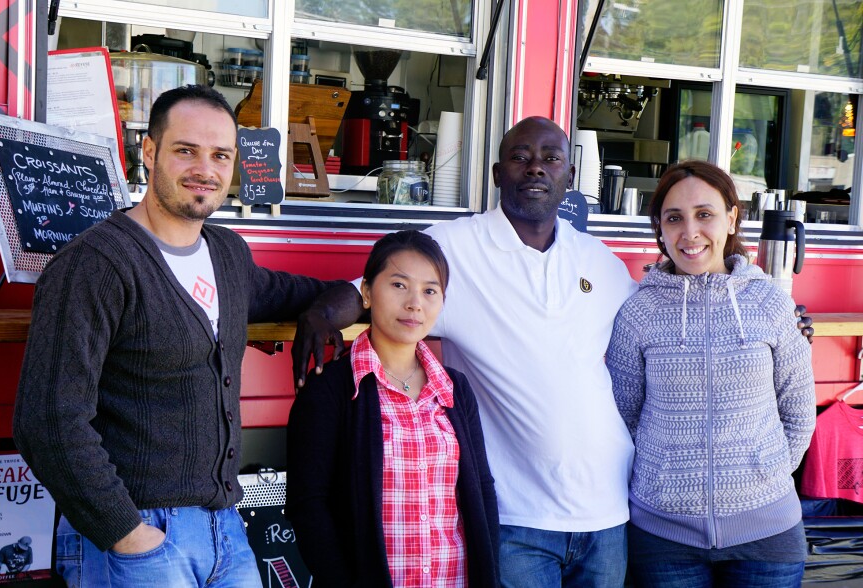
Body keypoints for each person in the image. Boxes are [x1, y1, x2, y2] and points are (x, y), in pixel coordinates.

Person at [292, 118, 816, 586]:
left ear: (569, 177)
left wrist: (785, 319)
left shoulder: (601, 262)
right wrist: (321, 314)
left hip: (607, 517)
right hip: (518, 519)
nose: (535, 169)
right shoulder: (454, 248)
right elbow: (371, 287)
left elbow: (673, 329)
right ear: (498, 174)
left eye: (551, 159)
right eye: (521, 157)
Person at [12, 85, 357, 588]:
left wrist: (346, 301)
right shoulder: (96, 265)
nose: (206, 169)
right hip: (137, 536)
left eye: (221, 155)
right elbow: (47, 421)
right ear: (149, 152)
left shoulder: (227, 254)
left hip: (224, 529)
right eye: (185, 150)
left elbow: (300, 291)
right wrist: (128, 533)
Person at [605, 160, 816, 587]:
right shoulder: (637, 312)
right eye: (674, 218)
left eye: (705, 214)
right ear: (659, 229)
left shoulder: (770, 305)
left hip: (767, 534)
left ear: (732, 217)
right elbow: (622, 418)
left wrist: (764, 474)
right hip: (664, 537)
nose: (690, 232)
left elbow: (798, 409)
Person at [286, 230, 499, 586]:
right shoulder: (332, 391)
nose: (415, 303)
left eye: (430, 291)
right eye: (399, 285)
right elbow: (309, 506)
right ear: (367, 292)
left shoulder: (454, 389)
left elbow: (481, 486)